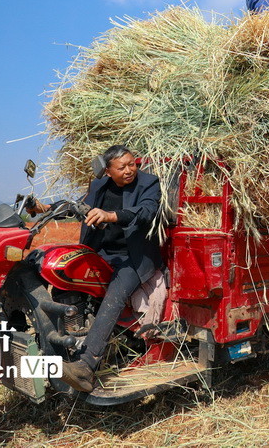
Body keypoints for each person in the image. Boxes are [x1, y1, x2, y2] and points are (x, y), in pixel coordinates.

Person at [37, 145, 162, 393]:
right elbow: (78, 207)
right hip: (100, 252)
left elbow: (146, 212)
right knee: (64, 279)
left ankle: (86, 366)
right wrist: (45, 209)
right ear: (107, 171)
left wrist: (111, 215)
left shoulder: (149, 183)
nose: (129, 170)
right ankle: (62, 345)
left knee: (114, 297)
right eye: (122, 167)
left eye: (132, 164)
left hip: (132, 257)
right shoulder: (98, 186)